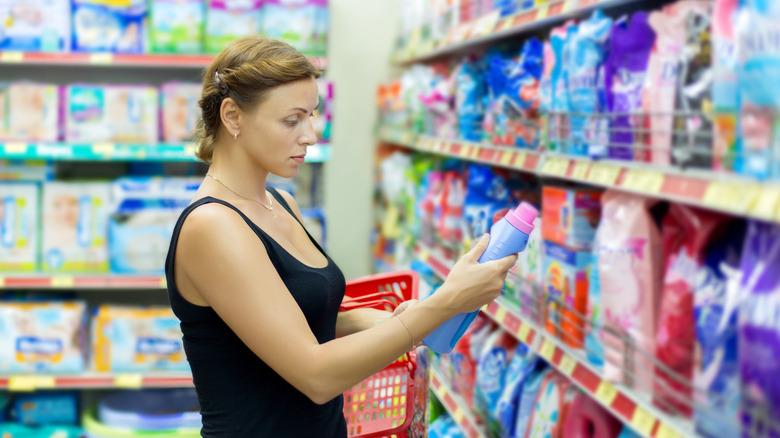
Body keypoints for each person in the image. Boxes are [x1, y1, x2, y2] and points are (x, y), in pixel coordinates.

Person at [165, 36, 518, 437]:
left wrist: (385, 320)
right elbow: (316, 375)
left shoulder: (280, 204)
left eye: (312, 115)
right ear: (232, 117)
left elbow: (306, 318)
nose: (310, 135)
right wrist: (444, 305)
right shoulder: (213, 227)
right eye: (291, 119)